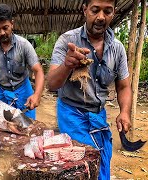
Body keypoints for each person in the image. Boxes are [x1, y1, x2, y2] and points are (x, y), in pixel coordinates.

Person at [46, 0, 131, 179]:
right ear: (85, 10)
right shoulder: (67, 40)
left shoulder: (117, 49)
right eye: (95, 10)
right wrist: (67, 66)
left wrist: (124, 112)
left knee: (102, 162)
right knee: (83, 165)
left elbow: (123, 86)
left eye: (107, 11)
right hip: (71, 114)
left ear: (114, 12)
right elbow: (52, 84)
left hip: (98, 116)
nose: (101, 17)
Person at [0, 4, 45, 120]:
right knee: (3, 127)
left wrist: (37, 95)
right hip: (1, 93)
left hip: (24, 92)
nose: (2, 33)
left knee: (26, 127)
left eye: (5, 27)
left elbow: (38, 71)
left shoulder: (24, 45)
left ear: (12, 24)